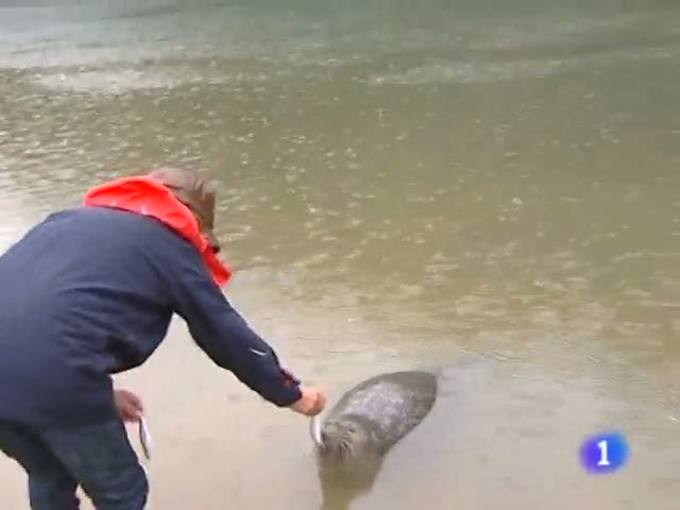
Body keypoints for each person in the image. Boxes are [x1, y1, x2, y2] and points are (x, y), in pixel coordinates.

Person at [0, 168, 326, 510]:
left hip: (31, 377)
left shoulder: (66, 222)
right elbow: (224, 333)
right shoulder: (167, 244)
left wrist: (102, 395)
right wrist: (291, 393)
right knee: (122, 492)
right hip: (57, 374)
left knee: (49, 474)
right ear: (193, 220)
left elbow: (40, 320)